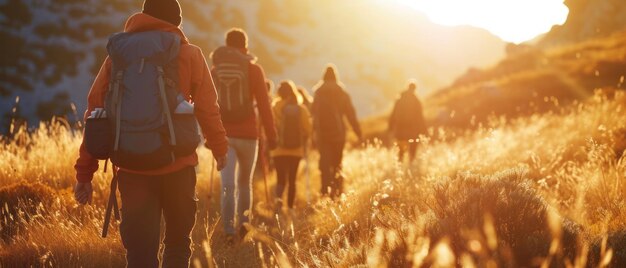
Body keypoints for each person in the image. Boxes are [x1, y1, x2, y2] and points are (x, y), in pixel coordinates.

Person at [73, 1, 228, 267]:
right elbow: (208, 108)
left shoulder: (118, 56)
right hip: (177, 163)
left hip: (132, 167)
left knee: (140, 254)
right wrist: (220, 147)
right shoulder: (189, 53)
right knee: (178, 245)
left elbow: (95, 112)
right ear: (176, 22)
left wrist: (84, 173)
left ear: (144, 16)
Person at [210, 28, 277, 243]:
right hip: (249, 135)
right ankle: (243, 227)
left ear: (226, 45)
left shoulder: (216, 70)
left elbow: (209, 105)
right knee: (244, 183)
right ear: (245, 46)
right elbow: (265, 106)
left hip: (224, 135)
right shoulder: (254, 70)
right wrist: (272, 135)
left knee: (227, 185)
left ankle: (229, 231)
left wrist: (210, 135)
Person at [311, 65, 362, 199]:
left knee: (324, 164)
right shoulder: (342, 93)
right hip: (339, 135)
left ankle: (324, 192)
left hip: (323, 135)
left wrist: (312, 135)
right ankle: (338, 191)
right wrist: (358, 132)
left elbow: (313, 114)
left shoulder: (318, 92)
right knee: (337, 163)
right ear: (335, 77)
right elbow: (351, 114)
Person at [271, 80, 312, 210]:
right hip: (296, 150)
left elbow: (268, 126)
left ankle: (278, 206)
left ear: (279, 93)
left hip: (278, 150)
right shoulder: (301, 109)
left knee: (280, 179)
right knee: (292, 180)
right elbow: (308, 130)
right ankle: (290, 208)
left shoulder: (274, 107)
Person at [388, 81, 427, 163]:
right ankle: (410, 165)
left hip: (400, 130)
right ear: (414, 89)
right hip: (412, 130)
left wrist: (390, 128)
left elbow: (393, 114)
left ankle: (399, 166)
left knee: (401, 150)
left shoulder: (399, 100)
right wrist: (424, 130)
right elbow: (420, 117)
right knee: (412, 149)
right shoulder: (416, 101)